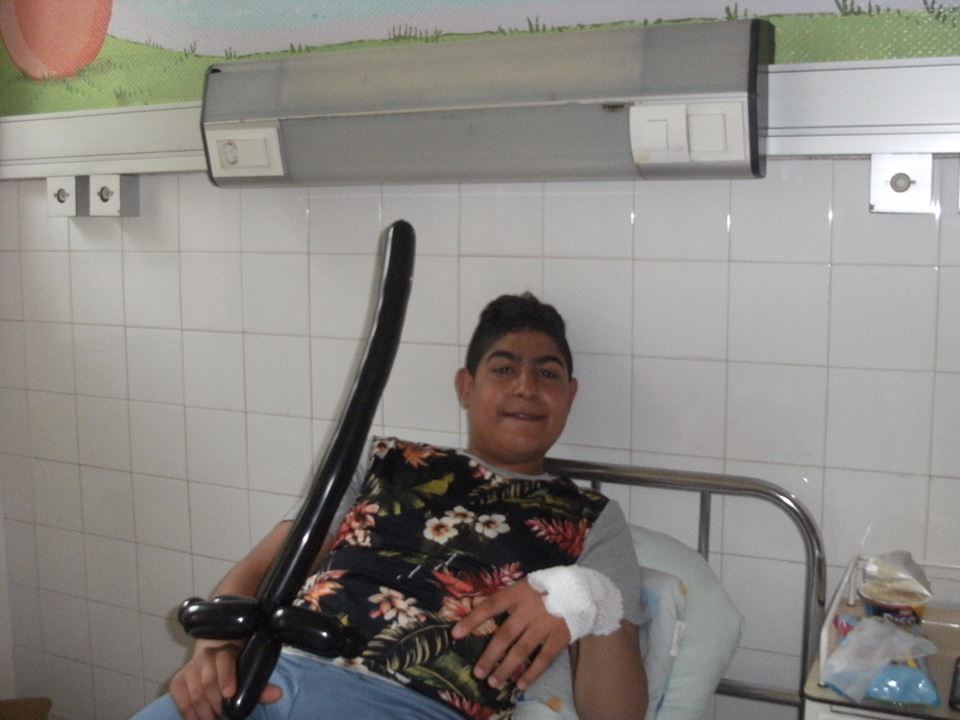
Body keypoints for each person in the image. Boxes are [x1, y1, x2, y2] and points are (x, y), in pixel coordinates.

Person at [134, 293, 648, 720]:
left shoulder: (590, 518)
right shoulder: (383, 461)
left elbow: (617, 714)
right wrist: (215, 650)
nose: (526, 387)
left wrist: (587, 596)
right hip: (267, 676)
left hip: (413, 706)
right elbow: (270, 564)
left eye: (548, 374)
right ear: (466, 386)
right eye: (504, 368)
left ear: (570, 395)